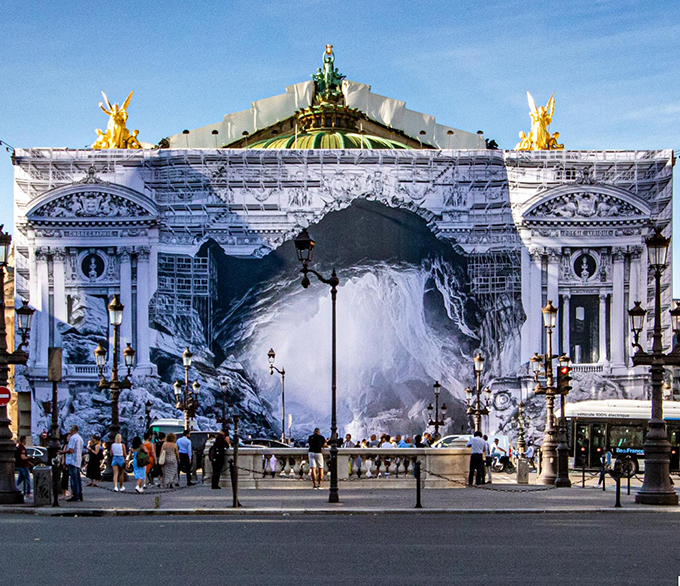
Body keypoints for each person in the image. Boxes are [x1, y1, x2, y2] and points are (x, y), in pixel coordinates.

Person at [64, 425, 84, 501]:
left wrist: (63, 452)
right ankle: (80, 494)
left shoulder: (73, 438)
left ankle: (75, 495)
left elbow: (71, 450)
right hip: (78, 460)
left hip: (72, 460)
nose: (69, 430)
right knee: (78, 478)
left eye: (70, 429)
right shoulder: (80, 438)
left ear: (72, 430)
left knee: (73, 479)